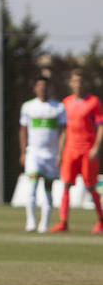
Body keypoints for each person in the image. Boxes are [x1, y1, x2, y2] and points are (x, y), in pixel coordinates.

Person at [50, 68, 103, 233]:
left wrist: (96, 148)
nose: (78, 84)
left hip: (87, 149)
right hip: (70, 150)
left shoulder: (94, 102)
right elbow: (64, 130)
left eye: (80, 81)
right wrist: (60, 152)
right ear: (70, 84)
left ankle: (101, 221)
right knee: (65, 185)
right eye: (75, 81)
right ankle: (63, 222)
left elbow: (100, 127)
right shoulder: (66, 103)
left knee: (91, 185)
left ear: (85, 83)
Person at [18, 75, 65, 233]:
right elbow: (23, 130)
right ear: (35, 88)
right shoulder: (28, 107)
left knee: (48, 188)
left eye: (45, 86)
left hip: (51, 155)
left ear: (50, 88)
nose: (43, 89)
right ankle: (30, 222)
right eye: (40, 86)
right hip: (34, 153)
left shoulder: (58, 107)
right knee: (32, 184)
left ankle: (44, 223)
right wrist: (23, 151)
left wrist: (60, 153)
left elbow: (63, 131)